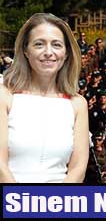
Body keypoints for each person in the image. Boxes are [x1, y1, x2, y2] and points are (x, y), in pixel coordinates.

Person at [0, 13, 89, 183]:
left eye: (56, 45)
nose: (48, 52)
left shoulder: (77, 104)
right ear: (26, 50)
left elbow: (78, 169)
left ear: (67, 52)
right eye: (39, 44)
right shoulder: (5, 96)